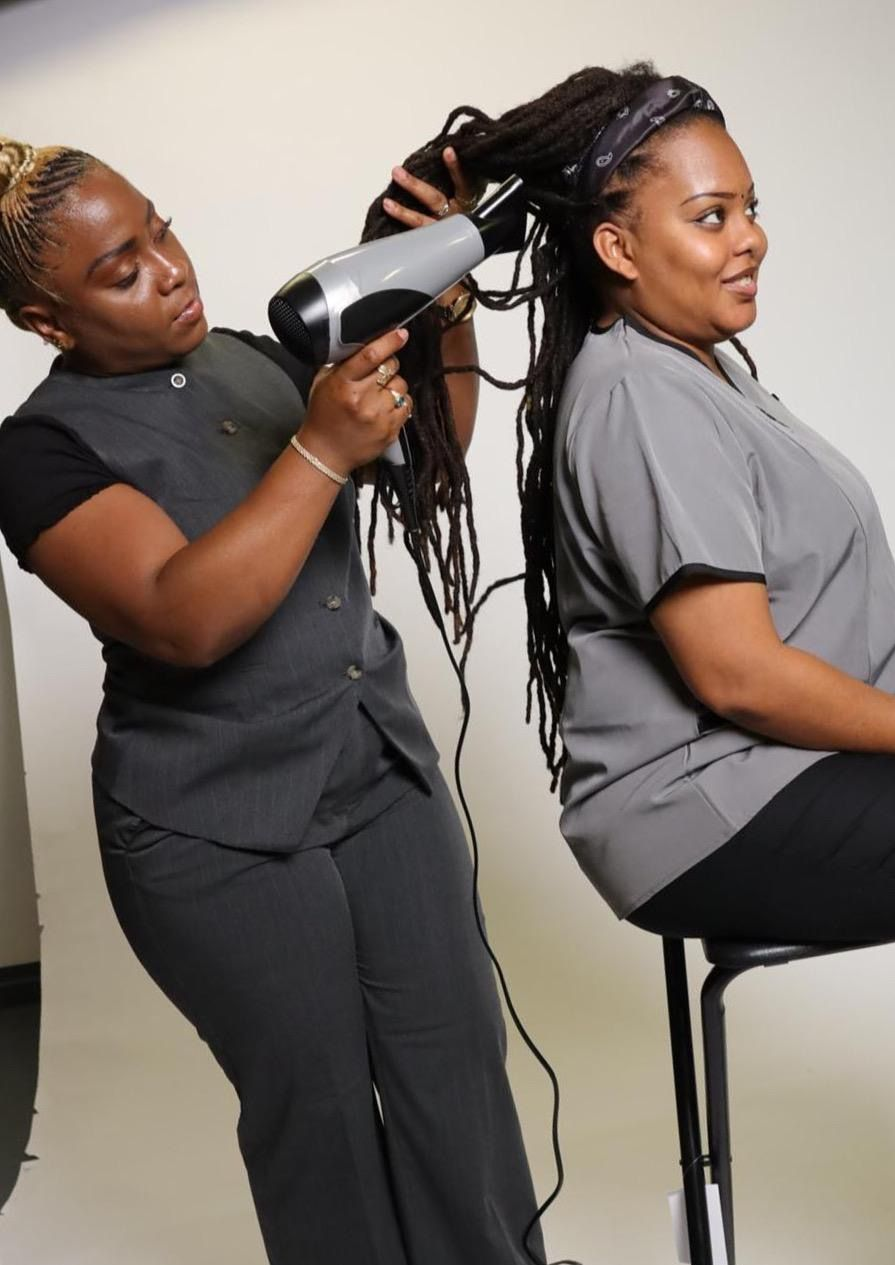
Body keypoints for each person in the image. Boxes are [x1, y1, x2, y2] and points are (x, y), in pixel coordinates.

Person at [0, 135, 544, 1265]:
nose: (168, 267)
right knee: (324, 1117)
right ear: (47, 323)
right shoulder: (37, 452)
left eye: (160, 227)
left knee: (455, 1072)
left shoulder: (255, 357)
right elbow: (179, 614)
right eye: (121, 269)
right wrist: (319, 447)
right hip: (213, 825)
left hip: (373, 769)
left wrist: (438, 305)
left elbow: (429, 457)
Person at [374, 63, 895, 944]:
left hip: (767, 772)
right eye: (709, 217)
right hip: (708, 812)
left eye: (749, 209)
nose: (750, 239)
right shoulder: (641, 394)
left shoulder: (697, 367)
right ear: (616, 249)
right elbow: (739, 675)